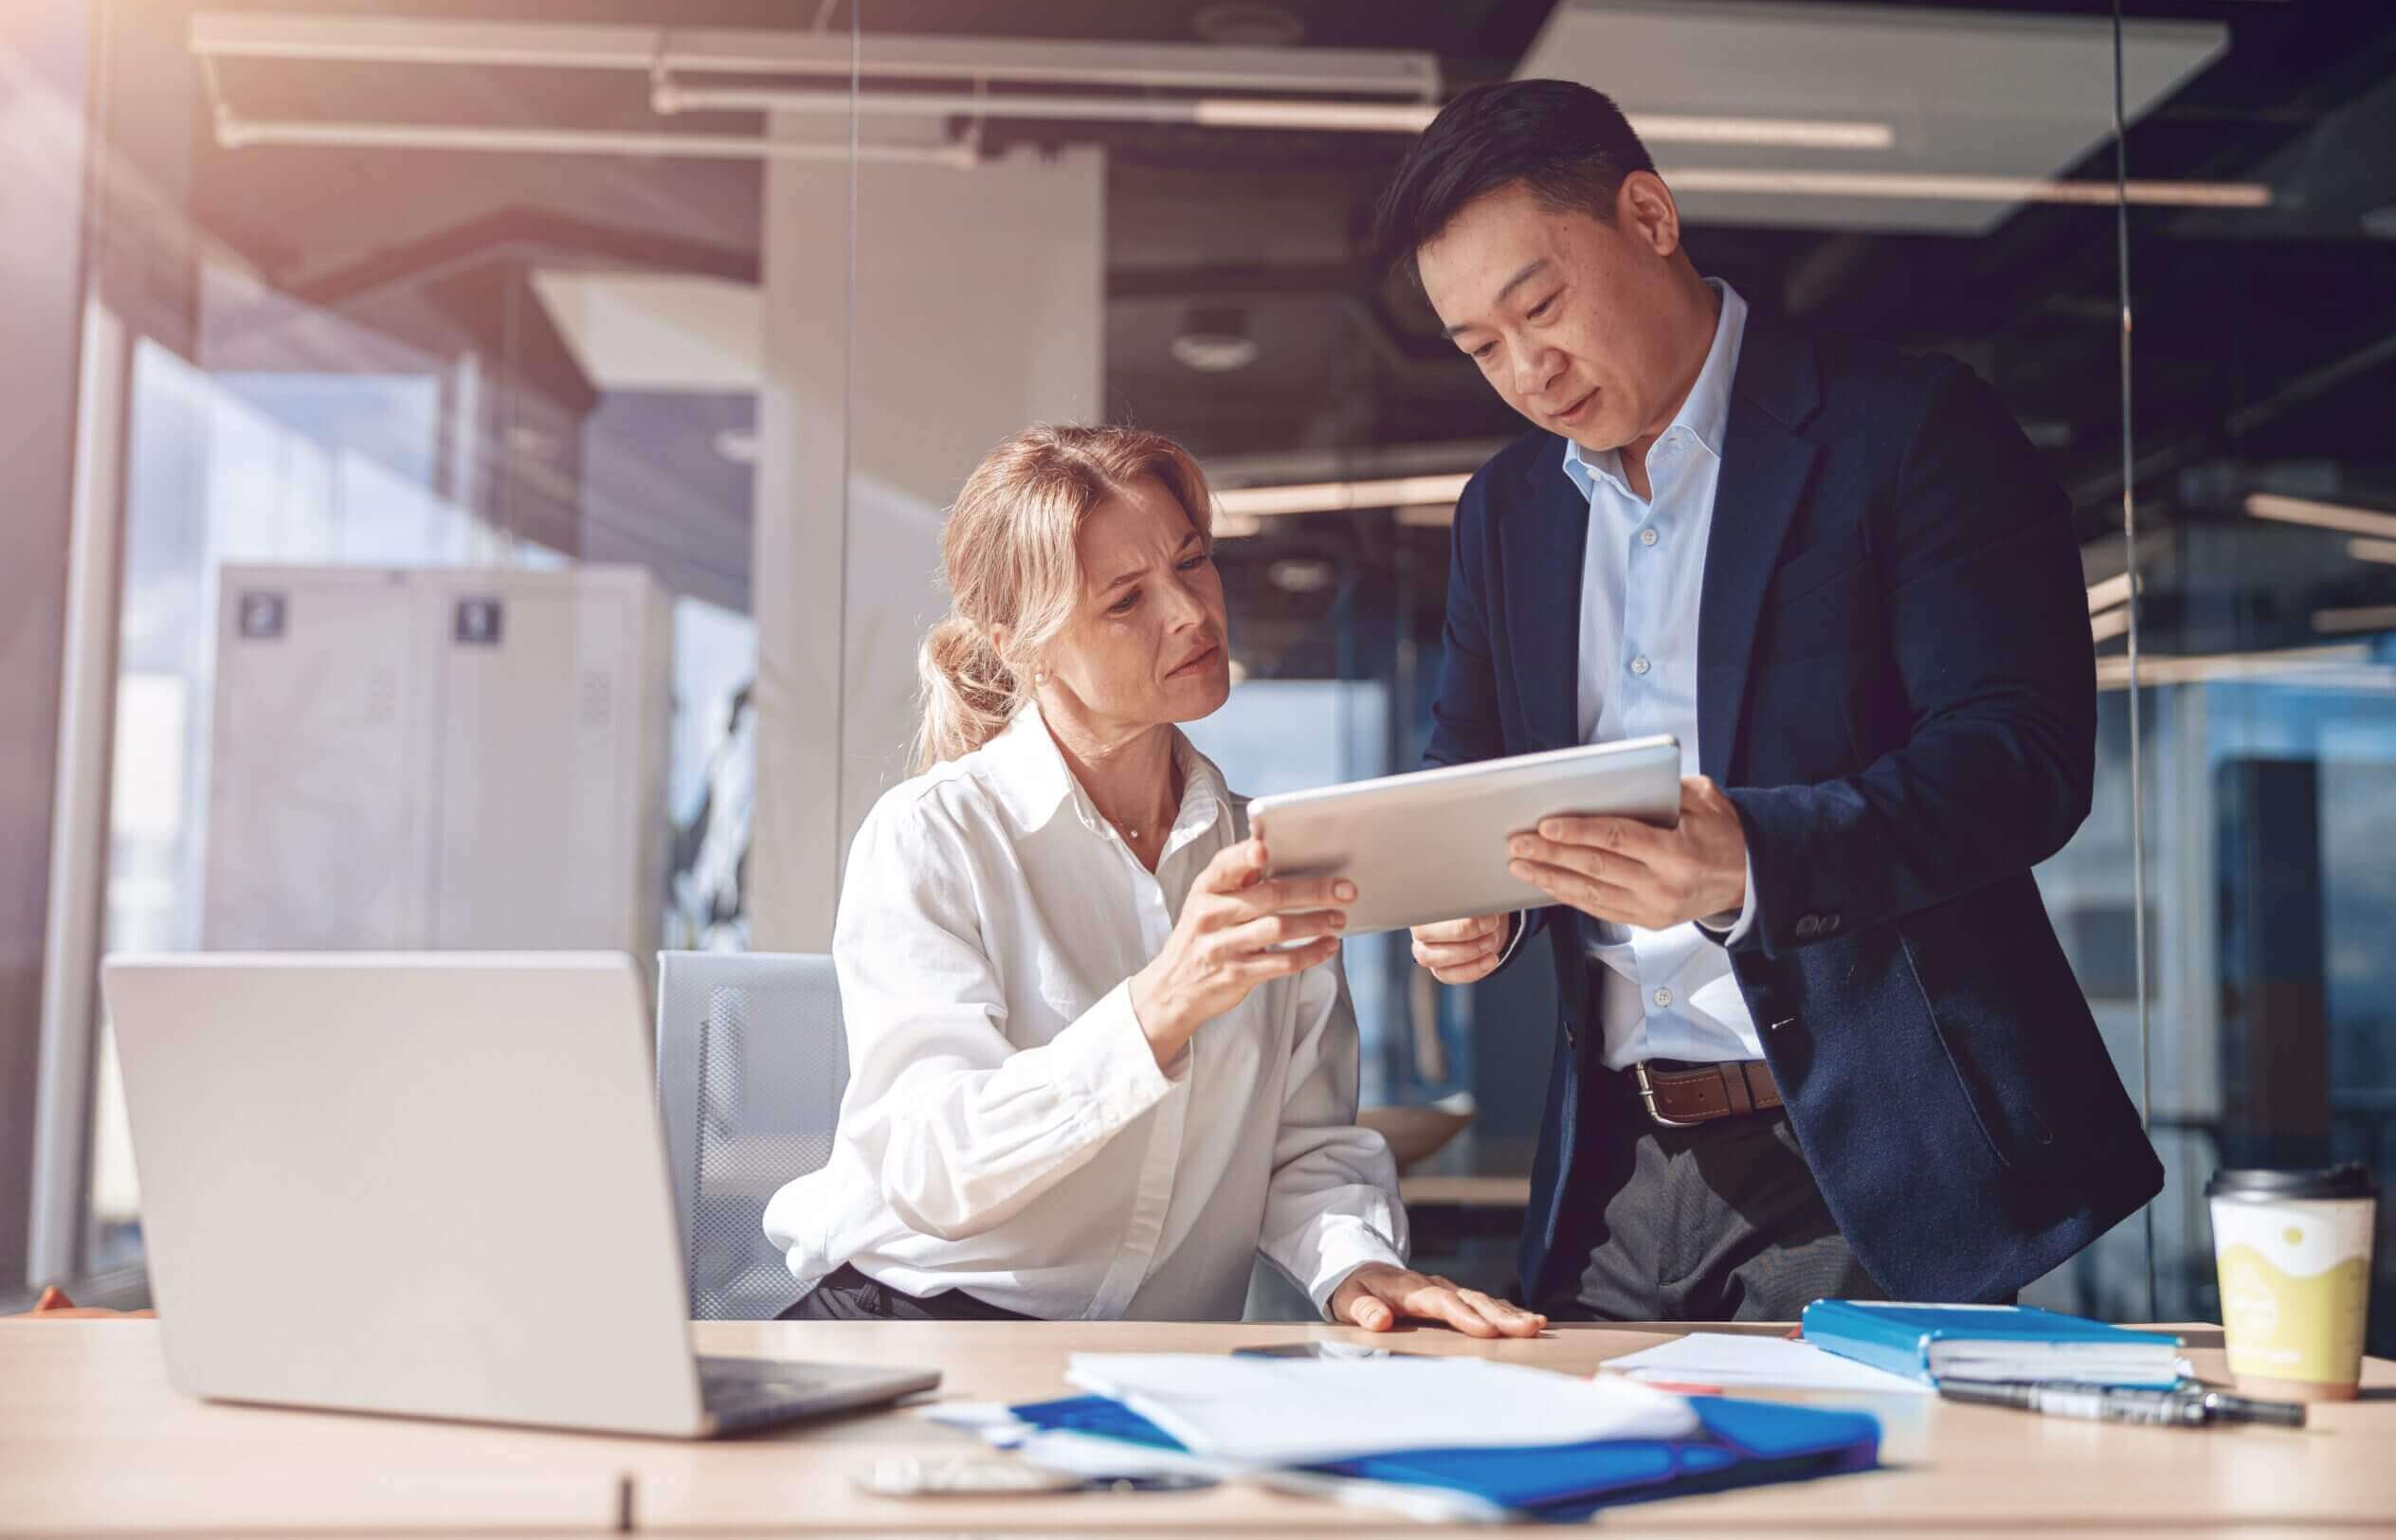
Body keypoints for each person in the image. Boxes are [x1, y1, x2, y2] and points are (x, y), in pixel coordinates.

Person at [1383, 80, 2163, 1321]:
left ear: (1647, 214)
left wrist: (1752, 858)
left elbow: (2024, 756)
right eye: (1481, 346)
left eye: (1541, 305)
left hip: (1874, 1160)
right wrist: (1474, 902)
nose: (1527, 368)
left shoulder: (1907, 429)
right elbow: (1467, 765)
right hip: (1617, 1170)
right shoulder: (1507, 510)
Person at [764, 423, 1543, 1335]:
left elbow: (1307, 1145)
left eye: (1193, 563)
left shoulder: (1266, 846)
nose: (1191, 614)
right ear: (1022, 644)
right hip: (911, 1332)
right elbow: (933, 1168)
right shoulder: (934, 837)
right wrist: (1158, 1008)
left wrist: (1355, 1262)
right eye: (1127, 600)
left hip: (1147, 1356)